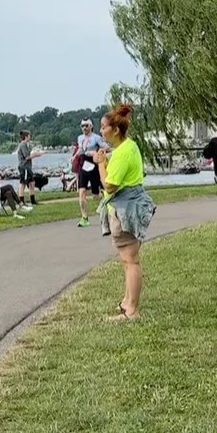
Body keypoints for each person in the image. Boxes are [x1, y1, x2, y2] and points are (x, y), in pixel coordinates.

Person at [93, 104, 155, 321]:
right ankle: (128, 301)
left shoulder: (120, 154)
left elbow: (110, 185)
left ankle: (132, 311)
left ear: (115, 130)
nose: (101, 131)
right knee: (128, 260)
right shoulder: (130, 147)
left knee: (131, 260)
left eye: (103, 127)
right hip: (134, 205)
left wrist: (101, 164)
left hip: (125, 210)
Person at [76, 118, 107, 227]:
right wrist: (74, 156)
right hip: (83, 165)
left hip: (93, 165)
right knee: (82, 192)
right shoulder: (80, 138)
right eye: (82, 126)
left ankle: (105, 202)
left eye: (86, 126)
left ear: (91, 126)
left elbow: (106, 147)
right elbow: (80, 149)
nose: (84, 128)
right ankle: (84, 218)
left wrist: (97, 152)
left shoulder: (96, 138)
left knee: (95, 196)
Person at [17, 131, 42, 209]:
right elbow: (27, 156)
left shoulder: (27, 145)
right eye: (29, 136)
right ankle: (21, 201)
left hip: (28, 167)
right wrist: (36, 155)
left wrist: (35, 153)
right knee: (23, 183)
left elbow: (30, 153)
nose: (30, 137)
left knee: (32, 183)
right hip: (24, 167)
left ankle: (32, 200)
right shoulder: (23, 145)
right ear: (26, 137)